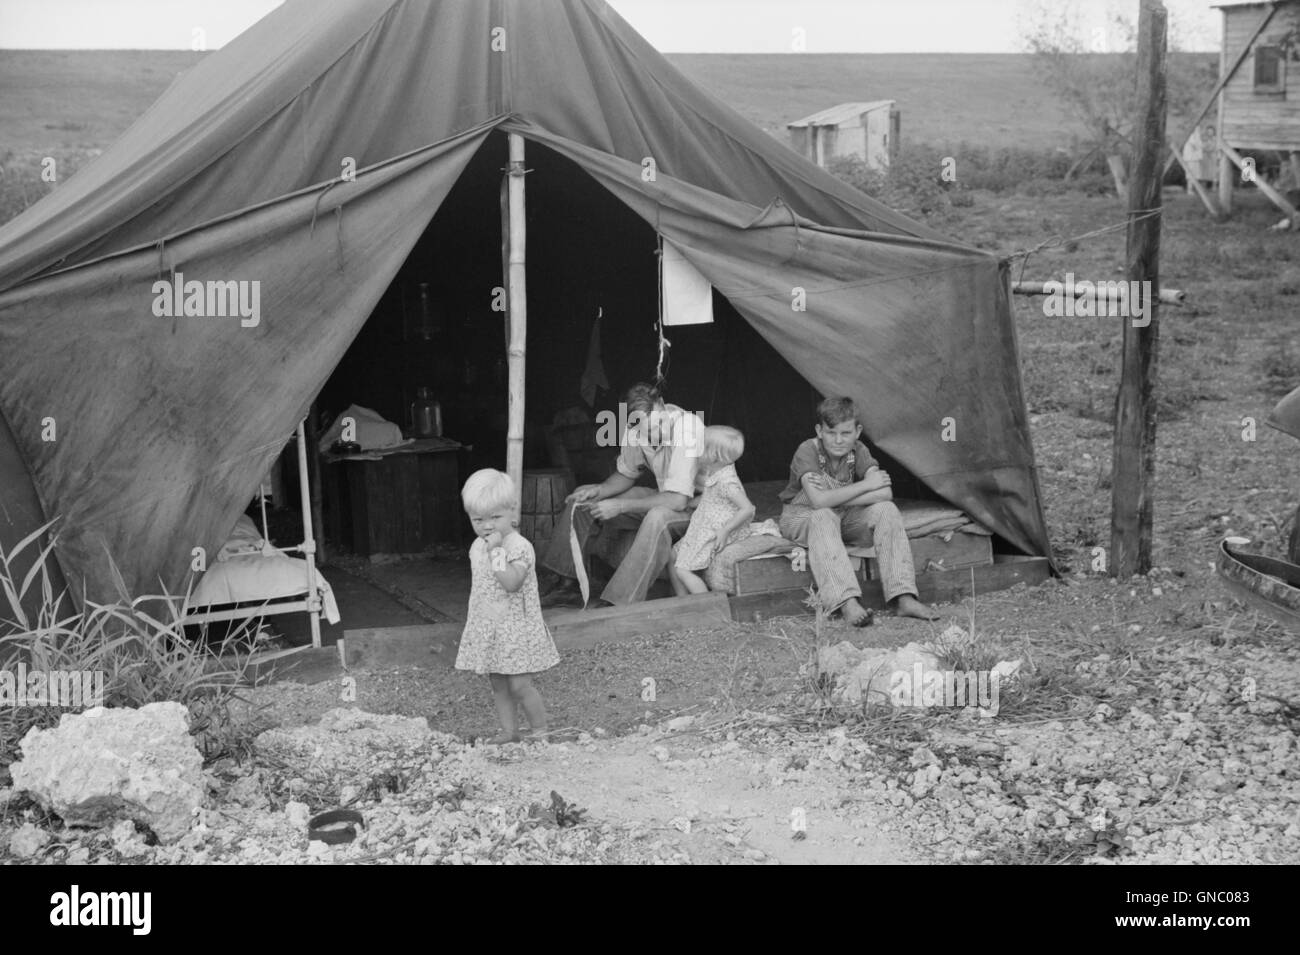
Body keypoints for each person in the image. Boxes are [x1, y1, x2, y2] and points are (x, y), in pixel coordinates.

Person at [539, 382, 705, 607]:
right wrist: (600, 490)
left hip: (700, 508)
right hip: (666, 495)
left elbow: (677, 500)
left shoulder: (687, 428)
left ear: (662, 405)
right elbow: (627, 473)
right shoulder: (634, 427)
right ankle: (566, 584)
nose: (656, 433)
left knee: (657, 517)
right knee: (583, 501)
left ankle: (619, 601)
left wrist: (621, 506)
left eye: (658, 425)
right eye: (646, 431)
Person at [778, 397, 938, 625]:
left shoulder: (859, 451)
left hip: (843, 515)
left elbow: (885, 494)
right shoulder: (808, 450)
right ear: (819, 431)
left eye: (845, 433)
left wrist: (846, 496)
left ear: (857, 431)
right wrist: (866, 485)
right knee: (823, 516)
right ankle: (847, 602)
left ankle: (903, 596)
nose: (838, 440)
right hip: (802, 517)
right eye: (831, 432)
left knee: (886, 510)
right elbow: (819, 501)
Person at [455, 469, 559, 743]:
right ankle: (509, 732)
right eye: (478, 520)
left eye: (495, 518)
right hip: (492, 626)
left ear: (512, 511)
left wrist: (497, 552)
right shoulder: (477, 547)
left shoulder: (518, 546)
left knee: (519, 684)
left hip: (517, 628)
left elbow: (511, 583)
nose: (487, 526)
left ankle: (540, 732)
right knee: (498, 682)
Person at [670, 426, 755, 595]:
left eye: (701, 446)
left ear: (713, 455)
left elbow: (748, 508)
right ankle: (682, 601)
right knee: (674, 554)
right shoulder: (716, 471)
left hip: (716, 531)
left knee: (683, 570)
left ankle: (707, 604)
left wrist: (724, 531)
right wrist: (692, 503)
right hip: (704, 526)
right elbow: (712, 497)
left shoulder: (726, 481)